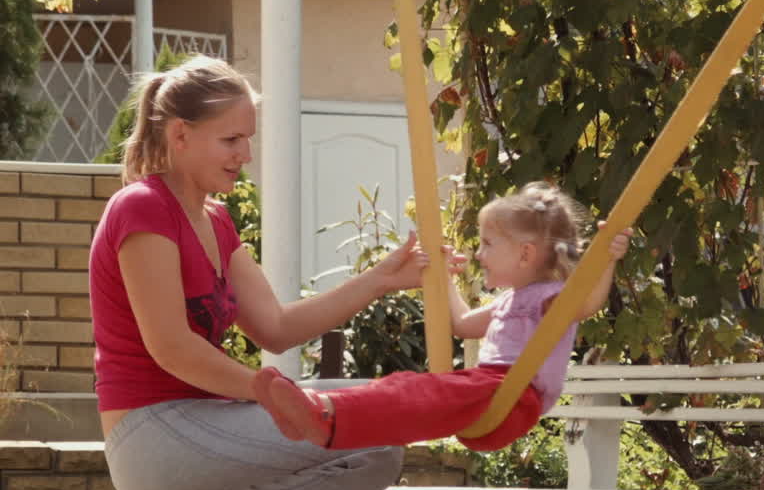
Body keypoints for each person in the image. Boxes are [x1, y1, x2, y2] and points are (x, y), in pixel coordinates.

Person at [90, 55, 429, 490]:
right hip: (148, 433)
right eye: (231, 140)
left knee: (380, 428)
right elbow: (172, 349)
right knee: (361, 432)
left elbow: (275, 326)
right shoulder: (142, 209)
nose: (246, 154)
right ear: (180, 135)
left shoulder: (217, 222)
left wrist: (382, 278)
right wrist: (266, 391)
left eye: (248, 139)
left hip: (204, 423)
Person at [253, 182, 632, 452]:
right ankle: (319, 416)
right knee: (409, 390)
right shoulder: (508, 301)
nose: (479, 253)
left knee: (418, 390)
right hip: (487, 395)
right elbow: (462, 324)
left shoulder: (550, 299)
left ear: (525, 255)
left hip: (513, 399)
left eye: (487, 243)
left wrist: (606, 260)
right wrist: (443, 279)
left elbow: (584, 306)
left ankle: (325, 413)